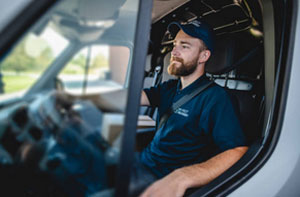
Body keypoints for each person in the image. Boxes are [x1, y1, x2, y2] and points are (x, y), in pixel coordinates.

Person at [133, 19, 248, 197]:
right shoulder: (171, 87)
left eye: (184, 46)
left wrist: (182, 177)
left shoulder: (216, 98)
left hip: (161, 179)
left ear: (203, 56)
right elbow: (133, 98)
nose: (174, 51)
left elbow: (237, 151)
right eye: (175, 44)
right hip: (141, 163)